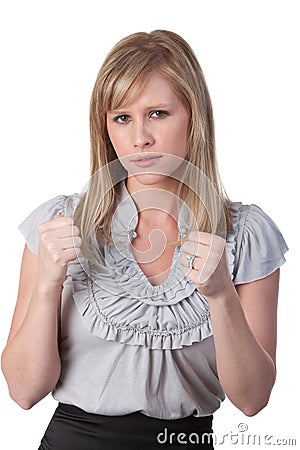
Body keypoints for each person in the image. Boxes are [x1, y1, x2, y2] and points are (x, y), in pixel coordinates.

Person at [1, 30, 288, 450]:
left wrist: (222, 296)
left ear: (194, 116)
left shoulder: (246, 234)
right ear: (106, 129)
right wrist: (47, 286)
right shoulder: (61, 223)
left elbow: (253, 400)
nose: (140, 138)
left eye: (157, 113)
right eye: (122, 118)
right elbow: (24, 392)